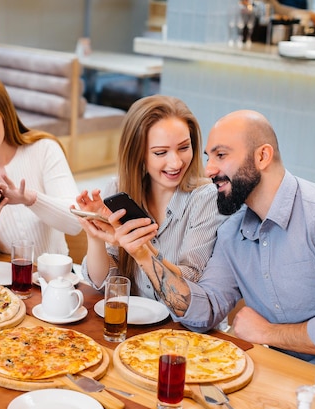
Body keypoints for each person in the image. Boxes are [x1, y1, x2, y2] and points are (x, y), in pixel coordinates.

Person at [113, 109, 315, 374]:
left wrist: (267, 333)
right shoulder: (232, 231)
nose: (208, 170)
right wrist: (143, 253)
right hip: (273, 375)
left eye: (221, 155)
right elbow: (202, 312)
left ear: (262, 156)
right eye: (209, 157)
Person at [76, 95, 227, 299]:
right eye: (160, 152)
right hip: (134, 325)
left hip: (183, 328)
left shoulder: (207, 199)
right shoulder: (118, 188)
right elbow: (105, 282)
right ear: (138, 155)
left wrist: (143, 251)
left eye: (183, 148)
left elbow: (191, 283)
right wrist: (95, 235)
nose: (175, 163)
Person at [0, 72, 82, 260]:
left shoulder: (44, 149)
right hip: (0, 281)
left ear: (4, 114)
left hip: (53, 278)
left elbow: (75, 223)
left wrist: (30, 199)